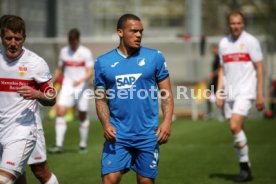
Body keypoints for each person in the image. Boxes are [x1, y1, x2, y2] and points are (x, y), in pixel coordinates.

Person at [94, 14, 174, 184]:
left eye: (141, 32)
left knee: (145, 182)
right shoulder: (103, 62)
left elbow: (166, 93)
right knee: (109, 180)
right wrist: (106, 124)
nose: (138, 35)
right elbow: (100, 99)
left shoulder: (155, 57)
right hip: (118, 134)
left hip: (147, 134)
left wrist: (167, 122)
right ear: (120, 32)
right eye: (134, 31)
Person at [0, 15, 56, 183]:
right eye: (8, 38)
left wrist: (38, 94)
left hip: (23, 131)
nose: (13, 43)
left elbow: (51, 97)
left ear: (24, 38)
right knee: (17, 177)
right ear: (2, 38)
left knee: (38, 171)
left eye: (17, 38)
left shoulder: (36, 63)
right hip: (2, 129)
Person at [216, 10, 265, 182]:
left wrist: (260, 93)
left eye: (239, 23)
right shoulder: (223, 43)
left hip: (246, 91)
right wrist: (220, 92)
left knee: (234, 126)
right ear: (228, 24)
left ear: (243, 24)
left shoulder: (251, 41)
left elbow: (259, 68)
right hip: (230, 93)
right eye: (232, 23)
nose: (235, 26)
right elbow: (222, 70)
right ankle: (246, 168)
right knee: (237, 130)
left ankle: (244, 167)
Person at [48, 28, 94, 153]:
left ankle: (83, 144)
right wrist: (51, 81)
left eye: (74, 42)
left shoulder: (85, 52)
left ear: (78, 40)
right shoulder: (64, 52)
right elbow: (59, 69)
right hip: (67, 86)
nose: (72, 44)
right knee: (60, 111)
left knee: (82, 114)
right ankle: (58, 144)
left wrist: (81, 80)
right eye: (70, 42)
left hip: (82, 88)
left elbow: (90, 71)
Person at [15, 110, 59, 184]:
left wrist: (43, 98)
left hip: (29, 126)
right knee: (15, 173)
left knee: (40, 171)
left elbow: (49, 101)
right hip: (4, 129)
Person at [205, 44, 222, 120]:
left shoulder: (219, 58)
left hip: (219, 82)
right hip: (214, 81)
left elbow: (220, 70)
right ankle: (210, 113)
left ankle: (222, 114)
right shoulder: (215, 58)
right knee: (208, 94)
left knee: (220, 97)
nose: (213, 51)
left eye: (215, 49)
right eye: (213, 49)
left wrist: (212, 74)